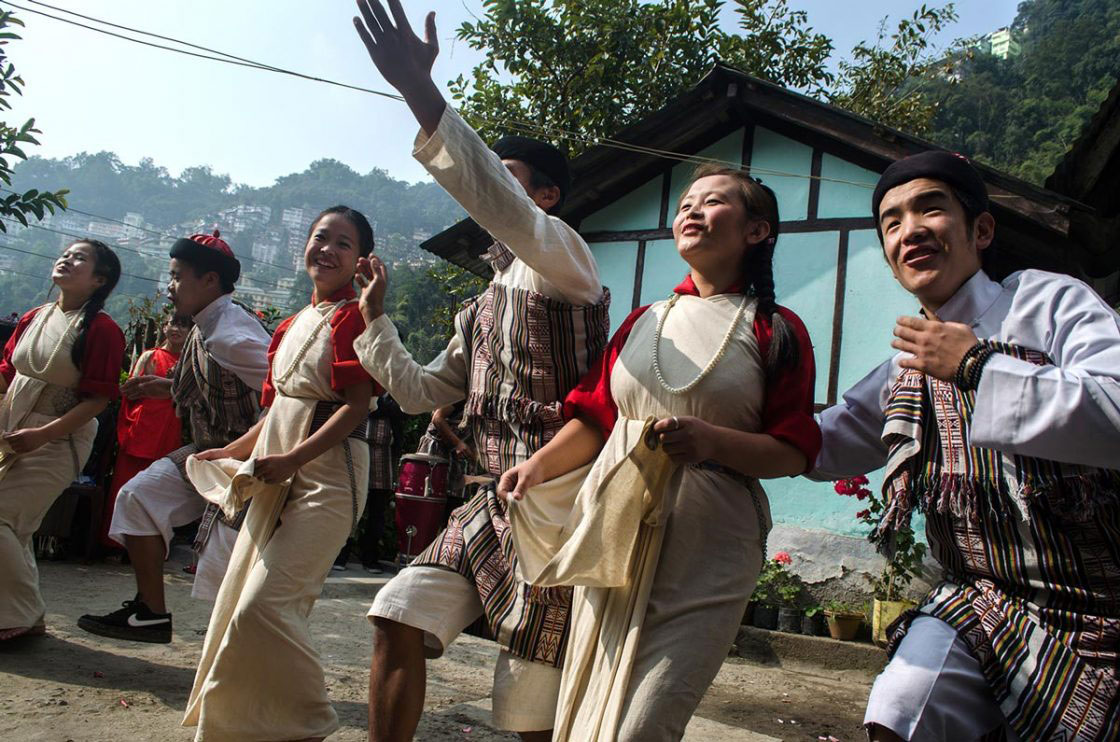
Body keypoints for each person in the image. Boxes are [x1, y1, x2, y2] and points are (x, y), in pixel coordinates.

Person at [352, 1, 609, 738]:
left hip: (559, 504)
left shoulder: (566, 259)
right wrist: (376, 321)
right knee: (396, 612)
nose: (490, 190)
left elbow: (500, 205)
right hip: (488, 503)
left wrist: (420, 96)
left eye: (508, 176)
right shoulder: (484, 304)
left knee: (530, 703)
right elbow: (420, 392)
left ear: (548, 197)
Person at [499, 165, 821, 740]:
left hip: (711, 542)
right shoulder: (641, 322)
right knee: (590, 704)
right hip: (613, 529)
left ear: (757, 231)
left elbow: (793, 453)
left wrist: (711, 440)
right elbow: (599, 419)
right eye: (684, 204)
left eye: (713, 202)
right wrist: (536, 466)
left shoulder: (777, 329)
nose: (690, 212)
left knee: (644, 721)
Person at [810, 151, 1120, 741]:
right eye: (892, 222)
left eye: (931, 208)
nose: (911, 230)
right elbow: (827, 440)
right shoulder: (907, 368)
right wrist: (720, 431)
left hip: (1101, 601)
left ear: (981, 230)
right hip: (982, 599)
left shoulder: (1049, 303)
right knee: (900, 705)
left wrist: (976, 365)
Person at [177, 205, 378, 741]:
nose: (327, 249)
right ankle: (261, 724)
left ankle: (308, 721)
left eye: (343, 242)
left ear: (361, 260)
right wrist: (229, 451)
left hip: (330, 475)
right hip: (279, 467)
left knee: (266, 605)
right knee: (246, 599)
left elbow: (355, 408)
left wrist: (291, 460)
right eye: (320, 238)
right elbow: (274, 416)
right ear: (303, 248)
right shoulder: (290, 324)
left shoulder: (356, 318)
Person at [78, 230, 271, 642]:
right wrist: (161, 388)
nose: (170, 286)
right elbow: (214, 385)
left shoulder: (233, 336)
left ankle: (239, 655)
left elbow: (287, 398)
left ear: (210, 281)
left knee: (224, 563)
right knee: (138, 497)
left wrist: (241, 453)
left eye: (178, 275)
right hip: (206, 454)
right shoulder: (205, 326)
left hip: (245, 464)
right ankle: (150, 613)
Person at [0, 239, 126, 642]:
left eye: (80, 259)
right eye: (66, 254)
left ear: (98, 280)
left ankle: (24, 613)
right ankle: (20, 614)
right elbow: (6, 373)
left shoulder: (102, 330)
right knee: (15, 527)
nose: (66, 260)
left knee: (3, 519)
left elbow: (98, 400)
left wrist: (43, 434)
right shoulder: (36, 316)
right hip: (12, 427)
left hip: (59, 439)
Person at [99, 313, 193, 550]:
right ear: (164, 327)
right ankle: (114, 543)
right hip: (142, 427)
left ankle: (150, 548)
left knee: (158, 492)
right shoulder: (150, 356)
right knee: (125, 483)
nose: (176, 330)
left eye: (183, 325)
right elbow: (130, 391)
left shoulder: (191, 362)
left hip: (170, 428)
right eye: (173, 324)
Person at [335, 393, 405, 574]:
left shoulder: (392, 401)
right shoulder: (365, 396)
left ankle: (370, 558)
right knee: (352, 509)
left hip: (383, 462)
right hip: (358, 457)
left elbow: (398, 421)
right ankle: (340, 555)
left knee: (377, 513)